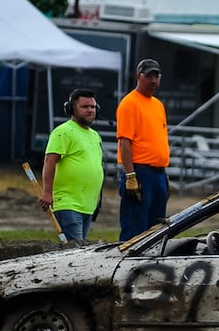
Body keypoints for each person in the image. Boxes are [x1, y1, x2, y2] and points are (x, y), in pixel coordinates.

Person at [116, 58, 171, 241]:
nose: (153, 80)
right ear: (139, 77)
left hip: (158, 175)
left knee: (156, 229)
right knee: (135, 229)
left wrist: (162, 177)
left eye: (157, 76)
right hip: (140, 172)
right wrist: (130, 175)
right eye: (149, 76)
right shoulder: (129, 103)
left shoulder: (158, 105)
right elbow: (125, 143)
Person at [39, 89, 104, 243]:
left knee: (78, 251)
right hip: (68, 204)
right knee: (76, 252)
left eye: (93, 107)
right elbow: (49, 162)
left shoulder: (95, 136)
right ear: (71, 109)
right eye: (85, 107)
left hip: (87, 206)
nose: (90, 110)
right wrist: (47, 192)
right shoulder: (63, 132)